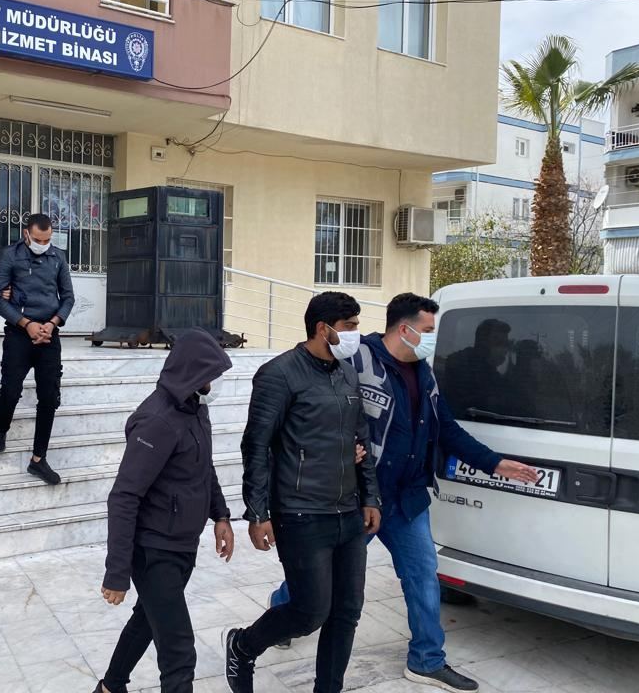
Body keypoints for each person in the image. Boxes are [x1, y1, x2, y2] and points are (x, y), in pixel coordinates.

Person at [347, 294, 538, 691]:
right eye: (429, 330)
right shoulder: (358, 361)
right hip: (362, 498)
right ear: (405, 329)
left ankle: (426, 660)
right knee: (328, 578)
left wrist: (495, 463)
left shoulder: (424, 373)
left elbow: (445, 429)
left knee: (423, 577)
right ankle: (285, 613)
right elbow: (325, 411)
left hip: (408, 498)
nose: (433, 338)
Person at [224, 292, 382, 693]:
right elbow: (256, 445)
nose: (356, 334)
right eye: (349, 326)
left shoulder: (347, 374)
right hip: (301, 512)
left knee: (347, 611)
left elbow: (360, 440)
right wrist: (257, 512)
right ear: (322, 328)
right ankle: (243, 645)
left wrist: (370, 497)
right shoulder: (279, 374)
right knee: (310, 611)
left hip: (347, 511)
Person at [95, 328, 236, 693]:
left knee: (148, 619)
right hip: (154, 549)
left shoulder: (195, 409)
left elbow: (202, 467)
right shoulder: (157, 421)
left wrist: (220, 515)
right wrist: (117, 572)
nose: (216, 383)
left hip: (182, 544)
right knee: (179, 653)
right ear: (194, 373)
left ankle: (110, 687)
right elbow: (124, 496)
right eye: (212, 375)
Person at [0, 213, 75, 485]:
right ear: (27, 233)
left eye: (47, 240)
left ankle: (38, 459)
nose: (42, 244)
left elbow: (68, 297)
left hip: (49, 335)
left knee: (49, 397)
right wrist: (26, 324)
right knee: (11, 390)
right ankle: (1, 429)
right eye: (38, 239)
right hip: (19, 333)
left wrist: (52, 323)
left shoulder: (58, 257)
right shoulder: (10, 255)